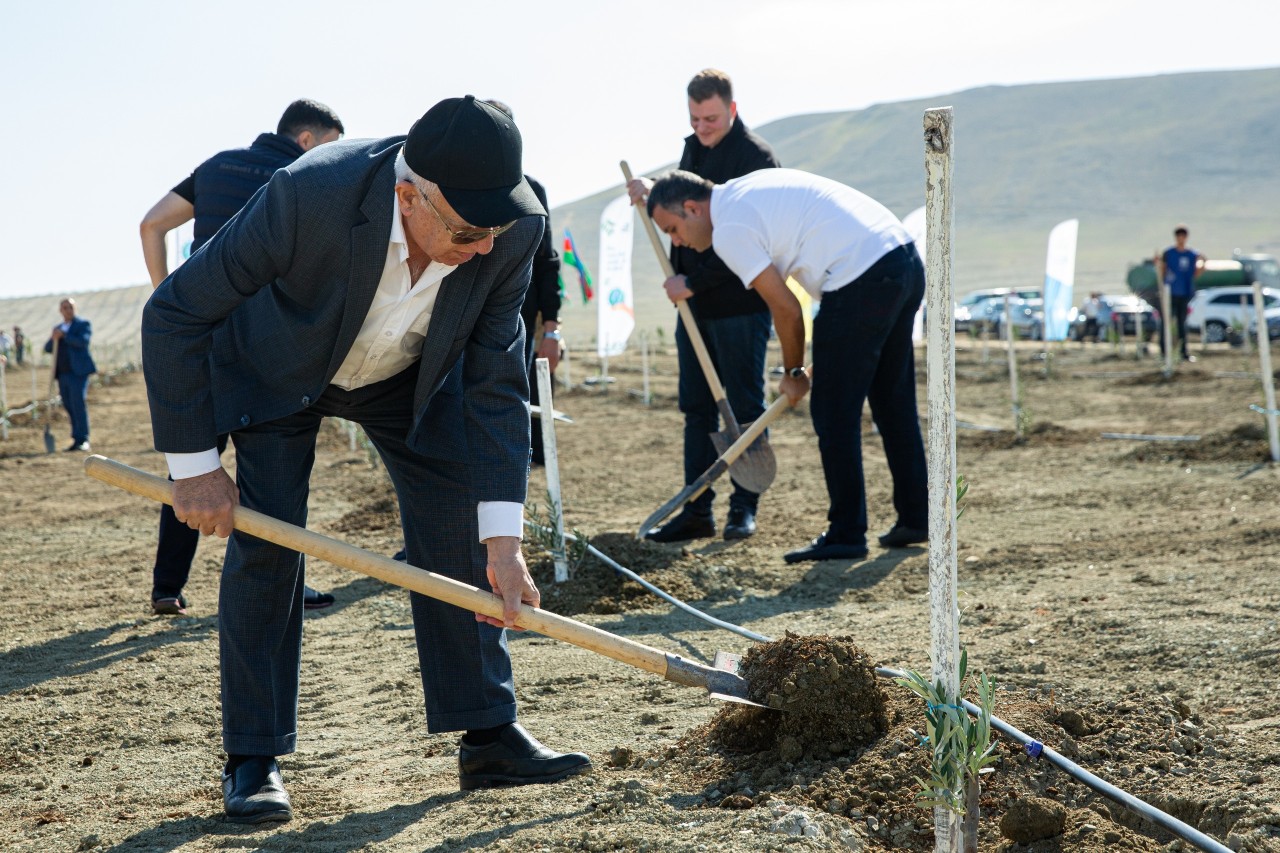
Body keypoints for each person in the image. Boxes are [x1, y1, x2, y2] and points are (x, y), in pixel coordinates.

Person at [142, 95, 591, 824]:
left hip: (405, 379)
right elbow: (175, 311)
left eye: (496, 230)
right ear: (408, 195)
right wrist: (192, 464)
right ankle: (253, 754)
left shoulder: (513, 230)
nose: (485, 249)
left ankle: (487, 730)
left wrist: (504, 539)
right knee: (270, 539)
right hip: (282, 370)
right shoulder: (307, 196)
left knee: (457, 518)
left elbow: (495, 384)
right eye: (470, 231)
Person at [647, 168, 929, 563]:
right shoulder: (744, 191)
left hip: (858, 276)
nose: (679, 242)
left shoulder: (729, 229)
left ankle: (846, 533)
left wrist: (793, 373)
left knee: (833, 413)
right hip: (903, 259)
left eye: (672, 229)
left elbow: (786, 308)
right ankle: (917, 517)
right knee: (891, 399)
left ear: (692, 208)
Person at [139, 99, 344, 616]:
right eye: (331, 147)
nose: (334, 159)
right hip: (264, 341)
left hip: (202, 336)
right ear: (306, 140)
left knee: (191, 464)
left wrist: (172, 299)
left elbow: (151, 224)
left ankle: (167, 587)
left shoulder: (215, 165)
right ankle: (287, 587)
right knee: (274, 468)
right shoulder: (298, 176)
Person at [626, 69, 780, 543]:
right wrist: (652, 191)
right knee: (696, 409)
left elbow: (756, 239)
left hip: (738, 305)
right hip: (692, 309)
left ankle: (743, 508)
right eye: (695, 119)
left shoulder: (757, 160)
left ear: (732, 109)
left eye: (711, 118)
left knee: (744, 406)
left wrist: (695, 280)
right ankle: (697, 509)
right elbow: (682, 207)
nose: (702, 127)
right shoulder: (693, 148)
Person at [485, 100, 562, 467]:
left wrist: (553, 329)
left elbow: (547, 263)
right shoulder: (451, 189)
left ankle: (523, 459)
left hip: (520, 316)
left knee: (517, 385)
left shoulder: (532, 191)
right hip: (468, 312)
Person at [43, 299, 96, 452]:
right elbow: (48, 348)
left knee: (78, 403)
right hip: (63, 374)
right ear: (60, 311)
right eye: (65, 308)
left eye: (70, 307)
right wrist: (54, 337)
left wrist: (65, 335)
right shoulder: (57, 328)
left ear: (75, 308)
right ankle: (76, 438)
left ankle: (84, 439)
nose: (68, 310)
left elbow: (83, 342)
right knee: (68, 405)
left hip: (78, 373)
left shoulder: (82, 325)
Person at [1157, 225, 1203, 361]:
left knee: (1182, 324)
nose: (1181, 239)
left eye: (1183, 236)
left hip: (1184, 293)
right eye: (1179, 236)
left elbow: (1195, 272)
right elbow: (1162, 270)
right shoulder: (1168, 253)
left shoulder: (1192, 255)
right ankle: (1164, 353)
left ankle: (1183, 353)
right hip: (1170, 293)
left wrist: (1203, 263)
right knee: (1165, 323)